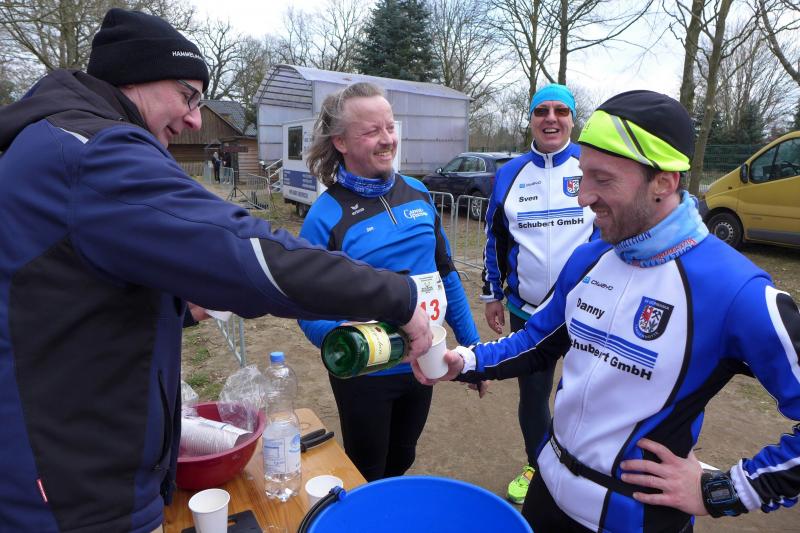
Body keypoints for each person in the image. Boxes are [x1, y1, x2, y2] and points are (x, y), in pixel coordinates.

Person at [0, 9, 431, 533]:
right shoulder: (95, 152)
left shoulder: (59, 144)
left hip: (70, 463)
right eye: (188, 96)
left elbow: (70, 292)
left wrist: (179, 307)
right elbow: (249, 253)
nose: (193, 120)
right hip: (70, 491)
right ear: (132, 79)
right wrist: (397, 297)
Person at [423, 90, 800, 531]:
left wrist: (726, 489)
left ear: (664, 182)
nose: (583, 197)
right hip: (547, 490)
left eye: (602, 180)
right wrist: (464, 361)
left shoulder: (737, 290)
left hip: (633, 519)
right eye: (584, 175)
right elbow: (538, 343)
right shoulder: (589, 259)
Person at [297, 82, 481, 482]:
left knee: (402, 457)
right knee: (366, 470)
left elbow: (446, 273)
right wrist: (344, 340)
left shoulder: (418, 193)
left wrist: (473, 349)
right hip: (366, 374)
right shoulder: (325, 216)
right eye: (371, 131)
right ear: (341, 142)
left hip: (424, 359)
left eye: (390, 127)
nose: (387, 140)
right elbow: (305, 307)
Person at [482, 83, 597, 504]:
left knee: (590, 394)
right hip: (527, 311)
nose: (551, 118)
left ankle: (588, 470)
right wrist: (492, 295)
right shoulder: (509, 173)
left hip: (589, 310)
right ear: (530, 119)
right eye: (541, 110)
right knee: (533, 397)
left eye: (560, 111)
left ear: (572, 119)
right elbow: (495, 238)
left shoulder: (592, 164)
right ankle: (539, 467)